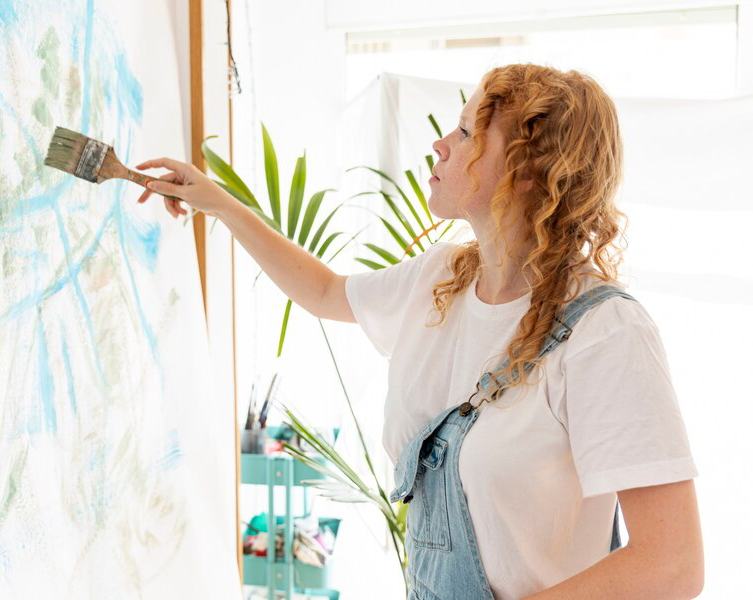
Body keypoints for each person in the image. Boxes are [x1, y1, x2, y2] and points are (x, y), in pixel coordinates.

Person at [135, 63, 704, 599]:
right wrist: (220, 204)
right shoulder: (444, 278)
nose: (441, 144)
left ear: (527, 172)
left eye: (464, 132)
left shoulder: (605, 333)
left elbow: (673, 564)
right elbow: (327, 292)